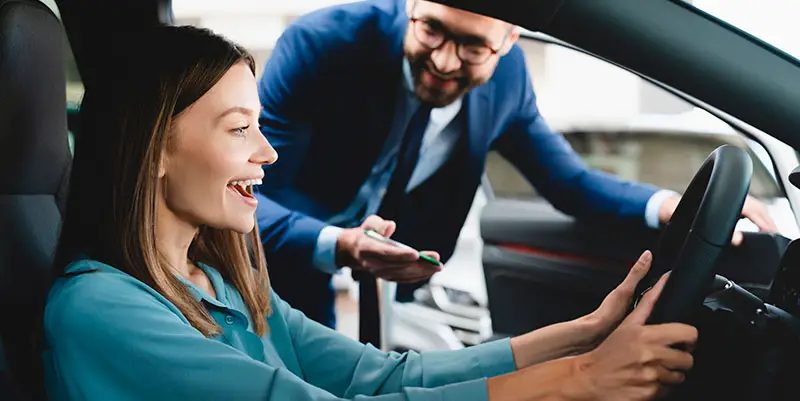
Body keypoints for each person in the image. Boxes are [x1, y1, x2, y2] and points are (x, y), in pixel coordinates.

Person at [44, 24, 698, 401]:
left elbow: (382, 376)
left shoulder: (225, 282)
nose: (269, 153)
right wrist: (578, 379)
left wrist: (583, 333)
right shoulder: (99, 309)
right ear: (155, 147)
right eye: (239, 129)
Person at [254, 0, 778, 329]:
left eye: (472, 46)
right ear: (410, 6)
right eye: (432, 29)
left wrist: (669, 204)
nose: (442, 61)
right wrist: (334, 244)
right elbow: (255, 189)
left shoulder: (508, 83)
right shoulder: (324, 42)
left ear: (509, 42)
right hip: (275, 249)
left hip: (387, 261)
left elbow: (567, 181)